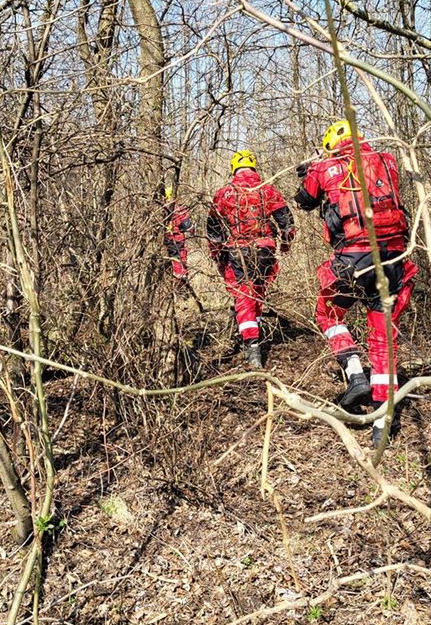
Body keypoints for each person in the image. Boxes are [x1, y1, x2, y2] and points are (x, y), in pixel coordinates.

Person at [295, 120, 416, 440]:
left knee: (327, 314)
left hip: (352, 260)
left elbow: (304, 200)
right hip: (393, 259)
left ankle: (354, 374)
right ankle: (382, 424)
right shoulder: (387, 161)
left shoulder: (325, 168)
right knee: (382, 339)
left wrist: (310, 170)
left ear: (332, 145)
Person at [207, 150, 294, 368]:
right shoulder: (268, 190)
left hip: (237, 251)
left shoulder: (224, 193)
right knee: (256, 293)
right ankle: (253, 331)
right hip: (264, 250)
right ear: (254, 167)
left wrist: (217, 256)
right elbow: (286, 222)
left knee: (244, 298)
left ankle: (252, 346)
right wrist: (285, 244)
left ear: (234, 168)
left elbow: (213, 231)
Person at [161, 184, 194, 283]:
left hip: (166, 240)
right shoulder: (177, 208)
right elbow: (187, 225)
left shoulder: (160, 208)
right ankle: (181, 286)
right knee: (180, 263)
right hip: (177, 240)